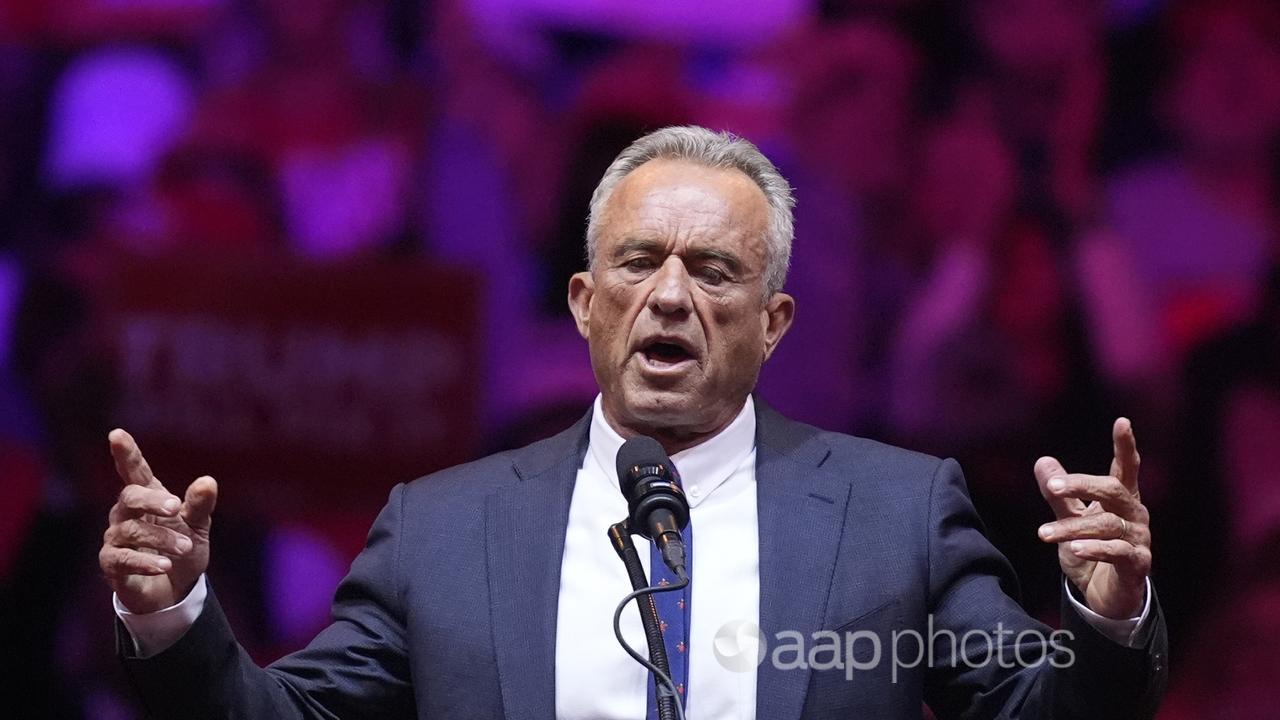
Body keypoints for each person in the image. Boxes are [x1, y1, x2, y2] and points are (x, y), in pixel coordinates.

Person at [100, 126, 1167, 719]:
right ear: (581, 301)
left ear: (772, 323)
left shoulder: (896, 512)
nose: (667, 297)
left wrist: (1107, 617)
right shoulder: (440, 530)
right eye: (636, 262)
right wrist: (174, 614)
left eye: (711, 272)